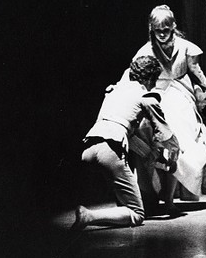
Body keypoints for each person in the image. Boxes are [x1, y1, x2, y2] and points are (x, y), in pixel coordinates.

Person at [115, 5, 206, 208]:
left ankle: (171, 194)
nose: (162, 35)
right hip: (155, 92)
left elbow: (196, 71)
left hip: (180, 90)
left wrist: (204, 89)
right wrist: (118, 87)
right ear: (152, 29)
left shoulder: (185, 47)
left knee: (179, 130)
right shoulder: (146, 50)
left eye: (166, 30)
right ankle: (150, 193)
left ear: (173, 27)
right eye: (158, 31)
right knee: (146, 131)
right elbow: (132, 75)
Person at [72, 55, 179, 231]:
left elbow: (127, 133)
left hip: (89, 148)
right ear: (151, 79)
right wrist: (173, 155)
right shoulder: (146, 96)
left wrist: (150, 153)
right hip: (110, 151)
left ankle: (117, 210)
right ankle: (88, 216)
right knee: (137, 213)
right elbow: (167, 136)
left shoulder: (114, 91)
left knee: (125, 196)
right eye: (155, 80)